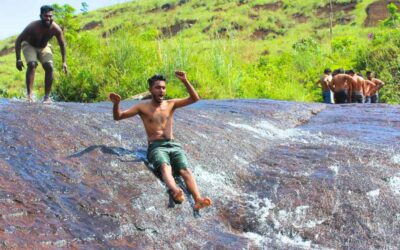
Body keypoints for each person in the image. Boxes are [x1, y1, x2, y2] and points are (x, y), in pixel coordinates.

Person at [109, 71, 212, 211]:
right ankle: (175, 191)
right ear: (150, 90)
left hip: (173, 144)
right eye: (157, 87)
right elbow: (118, 117)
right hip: (156, 147)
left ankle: (198, 199)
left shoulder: (171, 104)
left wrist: (185, 81)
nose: (161, 90)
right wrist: (116, 104)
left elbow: (195, 99)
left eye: (163, 87)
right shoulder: (142, 107)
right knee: (165, 166)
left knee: (185, 170)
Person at [15, 5, 68, 103]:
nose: (48, 18)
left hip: (44, 47)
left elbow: (62, 44)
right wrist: (18, 59)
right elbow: (18, 40)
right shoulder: (32, 26)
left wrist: (64, 62)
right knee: (32, 64)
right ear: (41, 16)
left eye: (50, 16)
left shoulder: (56, 29)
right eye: (46, 16)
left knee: (50, 66)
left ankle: (47, 97)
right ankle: (29, 95)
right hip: (29, 45)